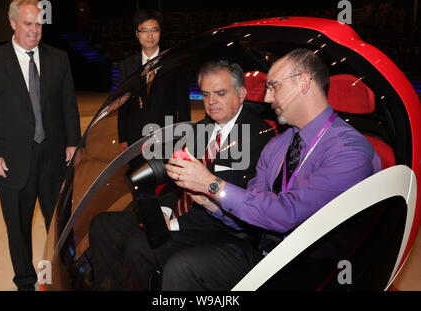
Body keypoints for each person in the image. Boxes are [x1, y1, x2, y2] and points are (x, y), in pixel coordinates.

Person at [163, 49, 381, 290]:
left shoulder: (349, 150)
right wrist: (210, 202)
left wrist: (211, 184)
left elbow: (288, 214)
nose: (267, 98)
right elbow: (254, 214)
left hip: (317, 268)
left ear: (303, 83)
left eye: (274, 86)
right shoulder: (278, 144)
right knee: (180, 266)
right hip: (268, 255)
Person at [88, 60, 275, 290]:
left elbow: (239, 206)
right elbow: (173, 183)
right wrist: (165, 212)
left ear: (242, 93)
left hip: (219, 228)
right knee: (102, 225)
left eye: (220, 93)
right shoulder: (199, 130)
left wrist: (173, 224)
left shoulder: (260, 138)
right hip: (181, 216)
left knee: (141, 245)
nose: (212, 102)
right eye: (206, 94)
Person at [0, 0, 81, 290]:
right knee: (17, 227)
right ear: (12, 23)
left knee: (59, 223)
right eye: (28, 24)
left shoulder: (58, 58)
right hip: (10, 160)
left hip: (53, 158)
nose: (34, 31)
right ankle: (24, 281)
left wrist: (73, 142)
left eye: (38, 24)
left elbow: (68, 104)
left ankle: (62, 274)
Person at [116, 9, 190, 152]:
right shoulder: (127, 65)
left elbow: (183, 105)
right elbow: (123, 105)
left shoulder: (174, 64)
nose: (150, 35)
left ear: (160, 32)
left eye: (154, 30)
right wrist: (122, 138)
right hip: (135, 138)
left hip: (167, 137)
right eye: (144, 30)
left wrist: (184, 138)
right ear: (137, 34)